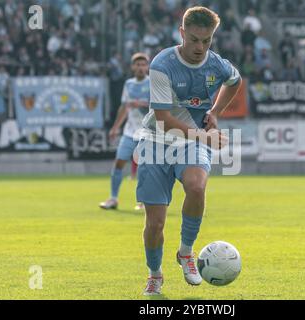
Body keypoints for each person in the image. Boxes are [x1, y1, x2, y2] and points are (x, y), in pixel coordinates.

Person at [136, 6, 241, 295]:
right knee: (155, 224)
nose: (200, 47)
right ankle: (155, 274)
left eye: (206, 41)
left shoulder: (217, 64)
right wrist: (205, 137)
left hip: (192, 142)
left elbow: (235, 81)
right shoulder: (161, 65)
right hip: (156, 141)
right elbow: (164, 120)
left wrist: (216, 112)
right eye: (194, 39)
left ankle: (186, 252)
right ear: (182, 33)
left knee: (196, 186)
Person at [99, 52, 150, 211]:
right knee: (119, 163)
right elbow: (124, 107)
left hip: (147, 132)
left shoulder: (153, 83)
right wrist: (115, 127)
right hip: (129, 132)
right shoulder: (128, 84)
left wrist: (140, 104)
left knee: (145, 168)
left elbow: (158, 107)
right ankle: (113, 198)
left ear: (147, 67)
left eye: (143, 64)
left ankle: (143, 201)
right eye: (138, 64)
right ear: (133, 67)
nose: (141, 67)